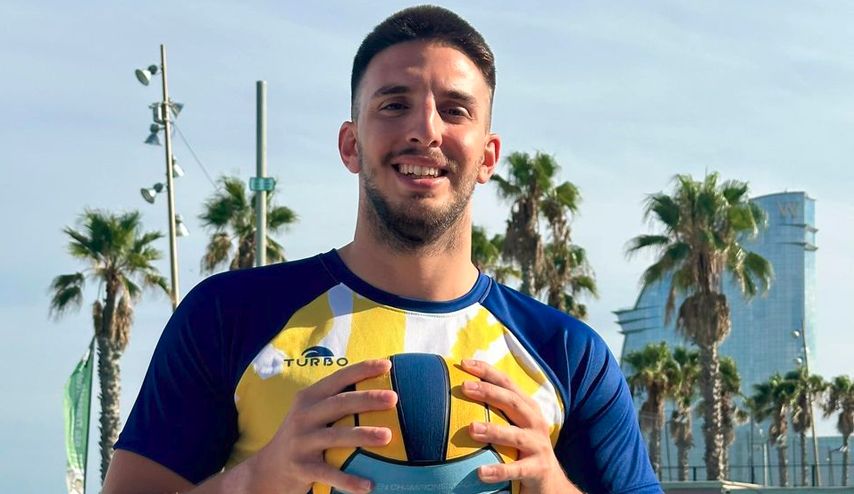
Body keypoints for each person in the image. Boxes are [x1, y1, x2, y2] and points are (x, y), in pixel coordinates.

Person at [103, 5, 661, 494]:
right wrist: (259, 478)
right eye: (394, 105)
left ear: (488, 157)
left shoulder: (566, 353)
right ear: (351, 145)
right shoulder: (230, 315)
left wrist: (551, 485)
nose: (425, 130)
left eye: (455, 109)